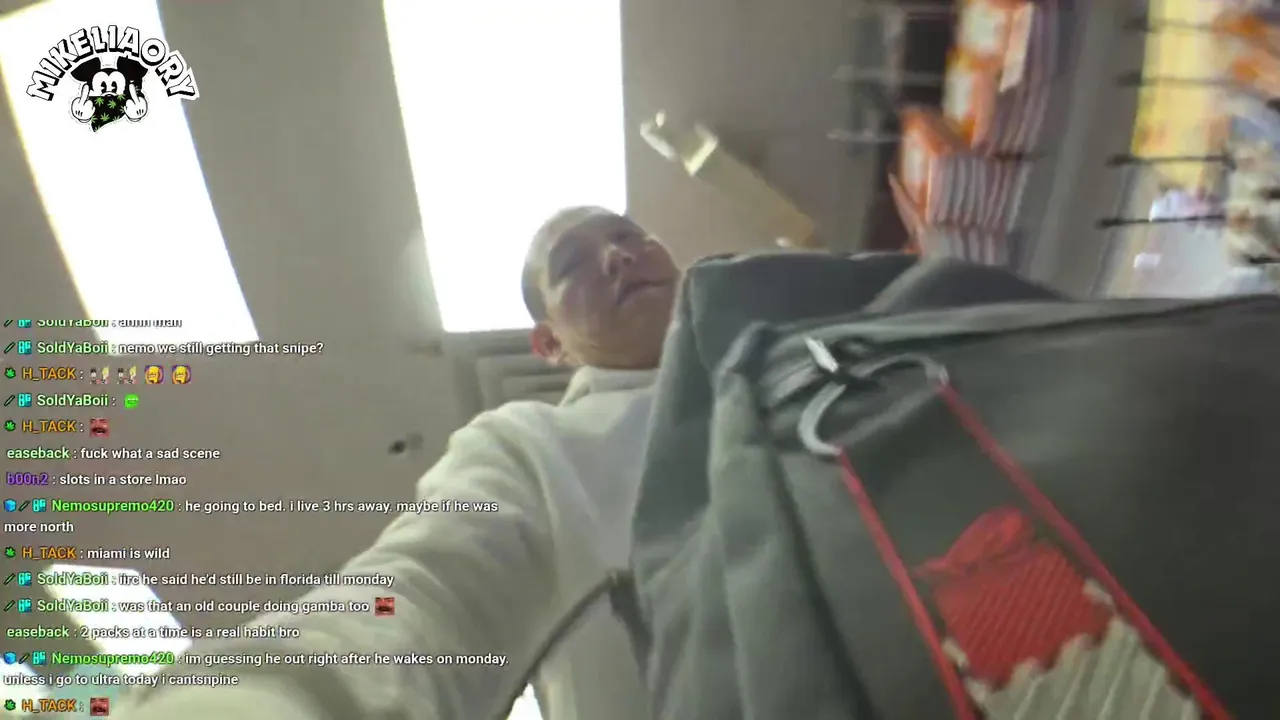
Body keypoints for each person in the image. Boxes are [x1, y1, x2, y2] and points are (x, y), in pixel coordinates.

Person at [118, 206, 680, 720]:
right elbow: (426, 585)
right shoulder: (529, 445)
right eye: (573, 264)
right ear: (549, 343)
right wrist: (283, 695)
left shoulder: (740, 360)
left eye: (630, 237)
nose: (618, 256)